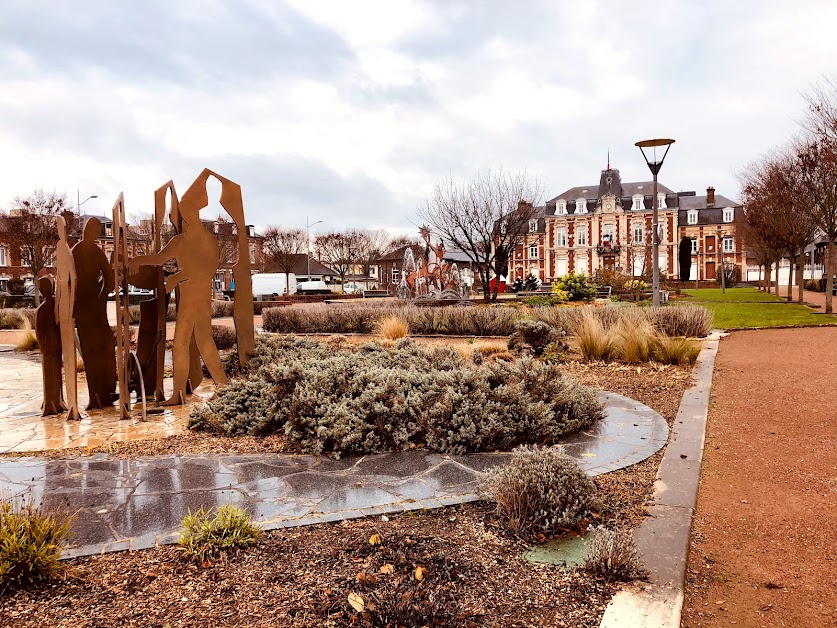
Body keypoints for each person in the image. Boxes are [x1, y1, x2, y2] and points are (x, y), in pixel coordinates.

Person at [128, 182, 228, 405]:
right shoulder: (179, 240)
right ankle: (189, 391)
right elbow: (159, 259)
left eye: (187, 213)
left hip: (198, 295)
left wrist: (177, 277)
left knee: (198, 341)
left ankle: (217, 388)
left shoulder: (207, 240)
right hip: (188, 296)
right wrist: (136, 260)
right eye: (181, 214)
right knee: (188, 342)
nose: (184, 218)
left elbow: (207, 270)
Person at [72, 217, 117, 409]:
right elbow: (68, 280)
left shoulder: (93, 251)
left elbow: (109, 277)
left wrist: (102, 296)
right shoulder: (77, 251)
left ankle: (105, 391)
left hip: (93, 306)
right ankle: (96, 395)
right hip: (83, 307)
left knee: (103, 348)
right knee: (91, 352)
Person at [55, 215, 80, 420]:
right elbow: (58, 280)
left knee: (71, 353)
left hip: (67, 307)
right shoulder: (58, 247)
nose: (59, 230)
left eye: (61, 227)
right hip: (61, 304)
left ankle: (73, 404)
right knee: (65, 352)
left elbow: (73, 278)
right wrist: (56, 306)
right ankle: (69, 401)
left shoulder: (66, 250)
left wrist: (71, 307)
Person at [35, 276, 66, 416]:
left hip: (56, 347)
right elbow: (39, 332)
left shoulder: (56, 307)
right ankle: (50, 401)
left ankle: (58, 400)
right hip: (48, 349)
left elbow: (61, 327)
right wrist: (44, 348)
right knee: (49, 375)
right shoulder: (41, 310)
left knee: (57, 373)